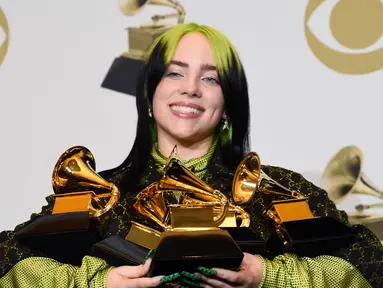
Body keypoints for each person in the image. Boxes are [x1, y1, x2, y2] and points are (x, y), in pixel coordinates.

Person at [0, 22, 382, 288]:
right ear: (150, 94)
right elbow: (7, 263)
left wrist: (270, 278)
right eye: (175, 73)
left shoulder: (281, 190)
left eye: (211, 78)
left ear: (229, 103)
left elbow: (371, 264)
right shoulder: (97, 193)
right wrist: (96, 283)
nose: (191, 89)